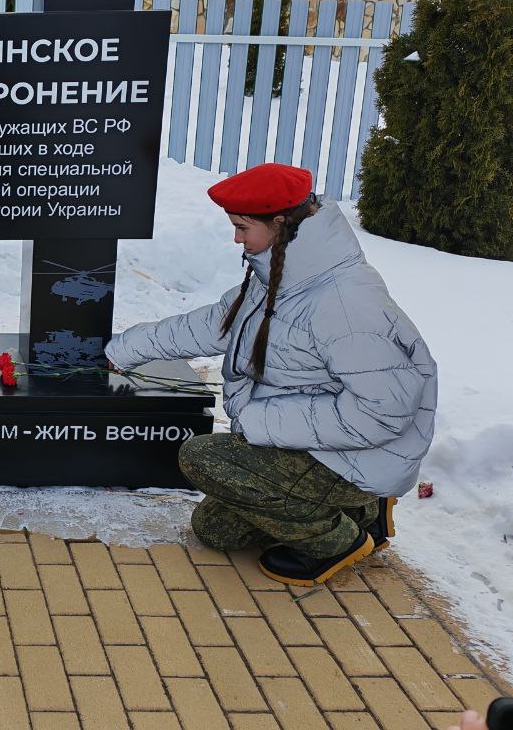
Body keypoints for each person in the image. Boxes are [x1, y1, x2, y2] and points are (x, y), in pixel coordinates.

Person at [106, 163, 437, 587]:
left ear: (279, 223)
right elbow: (215, 324)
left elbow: (383, 413)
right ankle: (362, 511)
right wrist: (125, 350)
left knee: (202, 457)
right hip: (312, 440)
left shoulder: (344, 302)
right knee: (216, 529)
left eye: (243, 227)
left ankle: (340, 539)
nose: (236, 238)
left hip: (354, 455)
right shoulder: (281, 272)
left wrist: (260, 422)